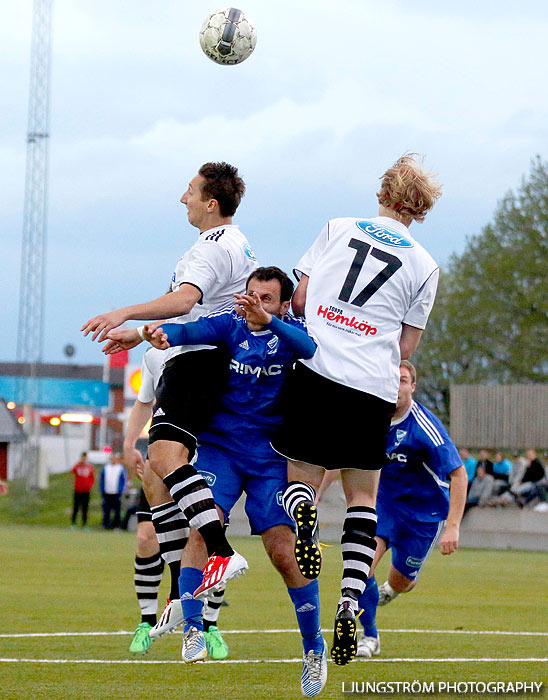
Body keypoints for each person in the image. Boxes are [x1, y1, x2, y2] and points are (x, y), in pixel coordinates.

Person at [271, 153, 442, 665]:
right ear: (421, 208)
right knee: (363, 499)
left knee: (301, 475)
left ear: (383, 191)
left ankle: (302, 509)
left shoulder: (337, 228)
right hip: (371, 386)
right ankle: (350, 600)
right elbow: (406, 347)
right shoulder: (425, 265)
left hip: (317, 367)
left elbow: (298, 300)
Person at [144, 267, 327, 696]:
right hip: (222, 449)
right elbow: (194, 328)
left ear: (283, 304)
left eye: (266, 298)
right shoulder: (230, 323)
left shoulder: (290, 331)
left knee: (284, 551)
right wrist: (163, 334)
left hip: (270, 458)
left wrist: (271, 323)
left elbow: (310, 347)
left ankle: (313, 647)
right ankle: (193, 629)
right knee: (201, 528)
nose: (254, 304)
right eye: (250, 295)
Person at [82, 162, 258, 594]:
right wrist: (139, 334)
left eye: (190, 191)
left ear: (211, 204)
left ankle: (219, 553)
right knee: (165, 463)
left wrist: (124, 311)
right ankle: (197, 579)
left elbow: (185, 301)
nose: (183, 198)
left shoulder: (210, 247)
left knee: (162, 458)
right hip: (209, 359)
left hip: (198, 363)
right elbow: (201, 312)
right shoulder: (237, 243)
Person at [353, 360, 467, 658]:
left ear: (412, 387)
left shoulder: (425, 428)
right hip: (383, 507)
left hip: (424, 516)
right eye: (393, 379)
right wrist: (315, 496)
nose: (397, 386)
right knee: (362, 566)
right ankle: (370, 636)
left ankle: (391, 589)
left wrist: (453, 526)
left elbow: (459, 474)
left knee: (403, 581)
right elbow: (341, 460)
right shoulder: (370, 417)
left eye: (403, 380)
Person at [124, 347, 227, 657]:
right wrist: (129, 444)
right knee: (145, 537)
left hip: (204, 461)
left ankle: (208, 626)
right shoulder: (154, 353)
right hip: (161, 461)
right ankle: (147, 620)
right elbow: (145, 402)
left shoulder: (217, 347)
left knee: (205, 541)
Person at [100, 453, 128, 529]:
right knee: (106, 510)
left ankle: (116, 525)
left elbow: (124, 480)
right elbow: (102, 479)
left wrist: (122, 490)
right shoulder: (106, 468)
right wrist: (102, 489)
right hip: (107, 492)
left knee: (117, 510)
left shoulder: (120, 468)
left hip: (116, 493)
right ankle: (106, 524)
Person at [70, 452, 94, 527]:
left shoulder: (89, 467)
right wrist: (78, 463)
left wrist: (89, 486)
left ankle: (84, 523)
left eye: (85, 458)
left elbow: (92, 478)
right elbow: (72, 470)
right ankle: (73, 523)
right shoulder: (78, 466)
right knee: (76, 507)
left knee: (85, 508)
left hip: (86, 491)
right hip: (78, 490)